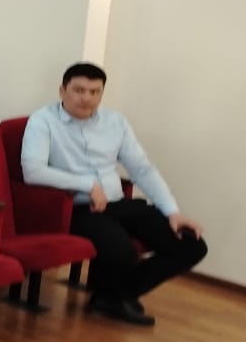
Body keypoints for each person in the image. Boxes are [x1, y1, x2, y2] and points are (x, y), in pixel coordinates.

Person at [21, 62, 208, 326]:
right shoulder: (43, 121)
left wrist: (172, 212)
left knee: (191, 245)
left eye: (94, 92)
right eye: (79, 90)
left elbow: (142, 169)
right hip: (76, 207)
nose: (86, 98)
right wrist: (87, 185)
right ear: (62, 90)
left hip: (117, 203)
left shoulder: (115, 122)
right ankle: (114, 297)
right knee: (122, 250)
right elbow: (33, 171)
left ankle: (115, 295)